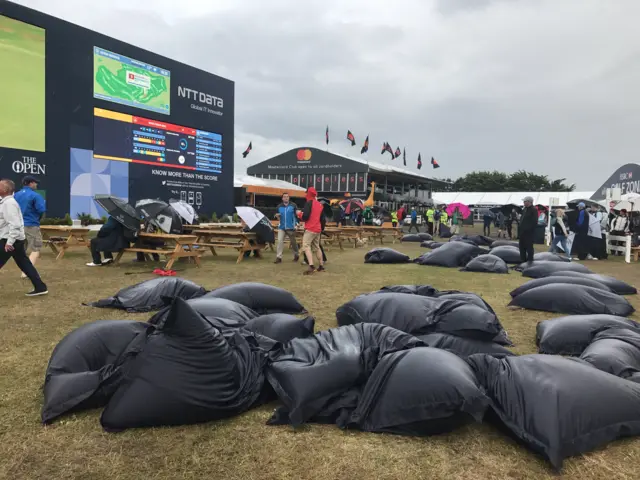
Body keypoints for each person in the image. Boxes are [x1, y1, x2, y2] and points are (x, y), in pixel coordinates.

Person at [0, 179, 48, 296]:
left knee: (27, 259)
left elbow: (15, 224)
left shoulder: (10, 202)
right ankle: (40, 287)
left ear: (6, 190)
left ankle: (40, 287)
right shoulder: (6, 202)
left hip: (9, 239)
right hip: (15, 237)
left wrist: (9, 242)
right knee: (24, 263)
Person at [14, 175, 46, 277]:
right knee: (36, 249)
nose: (36, 184)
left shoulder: (16, 195)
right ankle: (27, 273)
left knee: (22, 250)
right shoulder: (35, 196)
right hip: (31, 224)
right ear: (30, 183)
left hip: (18, 225)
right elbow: (41, 211)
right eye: (35, 182)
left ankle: (25, 271)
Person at [300, 187, 326, 275]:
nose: (305, 194)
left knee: (306, 246)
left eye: (306, 193)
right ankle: (321, 265)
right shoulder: (320, 205)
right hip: (318, 229)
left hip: (310, 228)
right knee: (317, 247)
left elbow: (306, 216)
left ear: (308, 194)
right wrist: (321, 228)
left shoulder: (308, 203)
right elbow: (323, 219)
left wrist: (300, 215)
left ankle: (311, 265)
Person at [274, 192, 299, 264]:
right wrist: (277, 216)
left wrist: (296, 224)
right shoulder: (279, 206)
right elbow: (276, 216)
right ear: (282, 198)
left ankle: (296, 255)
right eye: (284, 197)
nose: (286, 198)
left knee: (293, 242)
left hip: (291, 227)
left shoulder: (293, 205)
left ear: (289, 198)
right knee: (279, 241)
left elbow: (296, 216)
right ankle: (279, 257)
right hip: (281, 227)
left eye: (287, 197)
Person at [519, 196, 537, 263]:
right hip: (522, 232)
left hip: (529, 233)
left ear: (529, 202)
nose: (524, 203)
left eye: (525, 201)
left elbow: (534, 222)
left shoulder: (533, 210)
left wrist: (528, 229)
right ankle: (522, 260)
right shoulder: (524, 209)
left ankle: (530, 261)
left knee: (529, 247)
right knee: (521, 247)